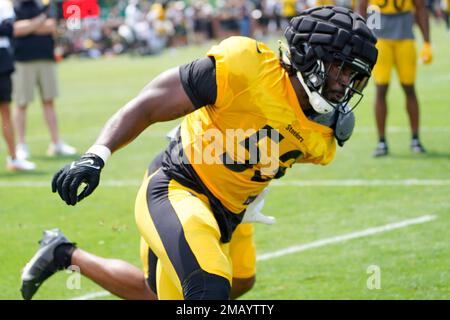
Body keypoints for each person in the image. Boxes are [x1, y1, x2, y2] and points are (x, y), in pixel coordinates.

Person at [21, 6, 378, 300]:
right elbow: (150, 103)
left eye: (355, 77)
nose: (346, 84)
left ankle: (63, 253)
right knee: (208, 289)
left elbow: (281, 145)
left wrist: (256, 183)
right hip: (178, 186)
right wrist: (97, 154)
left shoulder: (326, 131)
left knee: (230, 283)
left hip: (233, 212)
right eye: (341, 69)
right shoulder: (246, 67)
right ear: (310, 56)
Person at [359, 0, 432, 157]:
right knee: (381, 89)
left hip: (404, 35)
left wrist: (427, 41)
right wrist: (361, 39)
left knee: (409, 88)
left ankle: (415, 139)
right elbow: (362, 8)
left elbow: (420, 8)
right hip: (379, 36)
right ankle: (381, 141)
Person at [13, 0, 76, 161]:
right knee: (21, 104)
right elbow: (16, 30)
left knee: (49, 101)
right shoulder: (14, 5)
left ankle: (56, 143)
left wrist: (30, 26)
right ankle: (21, 145)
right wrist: (40, 21)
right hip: (22, 60)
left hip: (46, 58)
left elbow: (51, 27)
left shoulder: (44, 4)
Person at [0, 0, 35, 171]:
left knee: (5, 111)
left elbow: (8, 29)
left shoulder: (4, 4)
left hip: (2, 60)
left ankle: (13, 158)